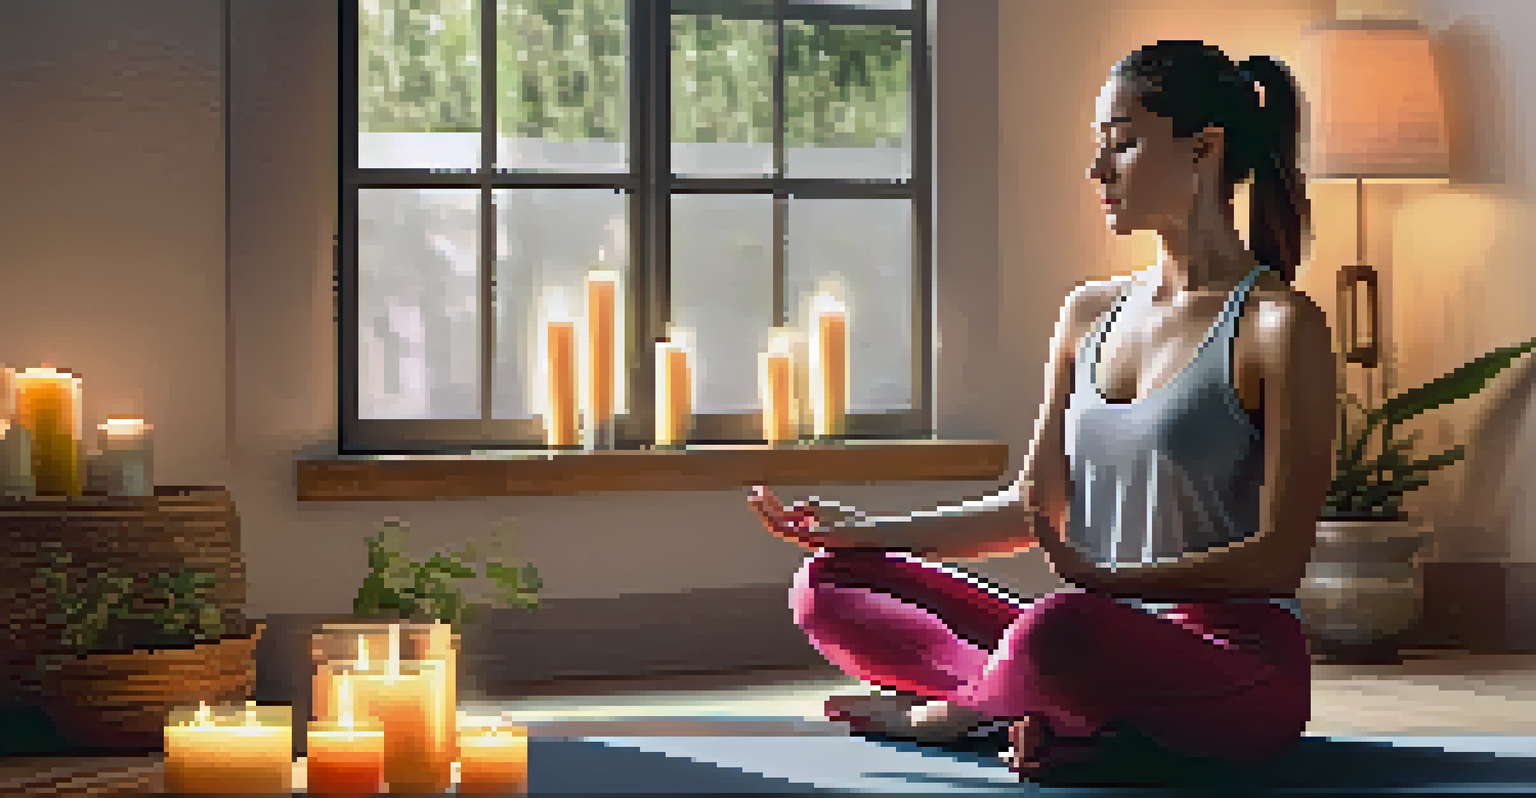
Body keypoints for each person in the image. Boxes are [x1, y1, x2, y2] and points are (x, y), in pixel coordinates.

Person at [748, 40, 1338, 781]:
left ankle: (964, 714)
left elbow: (1280, 561)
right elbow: (1033, 509)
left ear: (1204, 150)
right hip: (1096, 633)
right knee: (830, 585)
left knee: (1060, 628)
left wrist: (1111, 587)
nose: (1099, 171)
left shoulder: (1280, 326)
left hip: (1233, 667)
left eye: (1122, 145)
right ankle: (1057, 719)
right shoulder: (1088, 313)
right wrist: (869, 532)